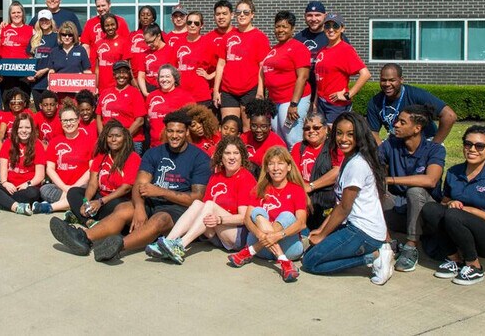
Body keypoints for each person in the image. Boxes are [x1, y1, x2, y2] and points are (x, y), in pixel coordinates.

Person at [49, 110, 210, 262]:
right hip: (150, 201)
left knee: (160, 219)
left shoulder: (200, 158)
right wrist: (139, 208)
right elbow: (139, 183)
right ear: (165, 131)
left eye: (179, 132)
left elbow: (196, 198)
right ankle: (83, 238)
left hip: (177, 208)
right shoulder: (154, 153)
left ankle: (117, 246)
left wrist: (161, 191)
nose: (174, 136)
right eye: (170, 131)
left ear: (187, 132)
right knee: (124, 209)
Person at [301, 112, 395, 285]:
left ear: (359, 135)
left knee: (310, 262)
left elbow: (344, 208)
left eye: (350, 134)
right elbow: (339, 204)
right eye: (339, 133)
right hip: (353, 225)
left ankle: (374, 256)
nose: (343, 139)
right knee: (310, 253)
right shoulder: (349, 158)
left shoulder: (357, 164)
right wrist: (321, 229)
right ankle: (372, 251)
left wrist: (323, 235)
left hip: (363, 231)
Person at [420, 125, 485, 285]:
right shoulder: (454, 172)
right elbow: (444, 202)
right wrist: (451, 202)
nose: (472, 149)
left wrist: (471, 211)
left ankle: (474, 267)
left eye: (479, 146)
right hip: (463, 230)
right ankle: (455, 260)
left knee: (454, 215)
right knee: (431, 209)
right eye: (468, 144)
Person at [147, 135, 254, 265]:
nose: (232, 157)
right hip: (215, 233)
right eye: (227, 153)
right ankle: (167, 242)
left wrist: (219, 219)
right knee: (198, 203)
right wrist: (214, 220)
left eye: (236, 153)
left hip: (237, 235)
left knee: (209, 205)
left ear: (242, 156)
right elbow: (203, 209)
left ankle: (180, 245)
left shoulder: (245, 177)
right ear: (221, 156)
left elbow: (244, 218)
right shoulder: (216, 177)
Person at [379, 104, 446, 273]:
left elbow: (431, 180)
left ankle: (411, 247)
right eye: (397, 120)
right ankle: (386, 241)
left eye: (402, 122)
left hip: (424, 214)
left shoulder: (435, 150)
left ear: (417, 128)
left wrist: (391, 179)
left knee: (415, 191)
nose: (395, 125)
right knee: (375, 188)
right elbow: (371, 164)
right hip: (398, 208)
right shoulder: (390, 145)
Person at [227, 146, 308, 282]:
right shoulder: (259, 189)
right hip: (262, 247)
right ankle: (284, 261)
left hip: (287, 247)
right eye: (271, 164)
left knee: (287, 216)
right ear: (266, 168)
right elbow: (247, 220)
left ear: (289, 167)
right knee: (257, 212)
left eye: (280, 163)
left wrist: (278, 235)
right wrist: (261, 235)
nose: (275, 168)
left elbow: (301, 223)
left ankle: (249, 252)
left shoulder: (297, 190)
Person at [63, 121, 141, 227]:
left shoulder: (133, 158)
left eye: (118, 136)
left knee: (117, 206)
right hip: (100, 197)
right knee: (73, 192)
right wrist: (86, 202)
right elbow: (92, 183)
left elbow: (126, 188)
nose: (113, 139)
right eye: (110, 136)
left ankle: (82, 217)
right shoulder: (101, 156)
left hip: (117, 199)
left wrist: (100, 202)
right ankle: (89, 222)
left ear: (125, 138)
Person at [213, 0, 270, 123]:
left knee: (248, 128)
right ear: (235, 15)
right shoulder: (228, 36)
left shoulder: (259, 37)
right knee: (229, 127)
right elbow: (221, 64)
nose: (242, 15)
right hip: (228, 90)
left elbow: (262, 67)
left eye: (246, 12)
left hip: (250, 89)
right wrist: (216, 90)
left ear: (252, 14)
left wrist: (260, 91)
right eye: (239, 12)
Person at [258, 10, 311, 147]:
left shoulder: (298, 48)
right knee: (278, 138)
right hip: (275, 101)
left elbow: (303, 77)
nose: (280, 30)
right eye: (277, 26)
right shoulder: (274, 49)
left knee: (292, 138)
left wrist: (294, 105)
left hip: (290, 100)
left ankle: (299, 161)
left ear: (292, 29)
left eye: (284, 27)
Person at [366, 63, 457, 144]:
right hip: (397, 143)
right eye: (383, 80)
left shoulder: (416, 95)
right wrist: (383, 152)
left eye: (392, 80)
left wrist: (434, 146)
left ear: (401, 80)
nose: (387, 84)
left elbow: (449, 116)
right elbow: (373, 133)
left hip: (425, 141)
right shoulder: (375, 102)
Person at [0, 113, 47, 216]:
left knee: (33, 194)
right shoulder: (8, 143)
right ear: (15, 129)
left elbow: (40, 176)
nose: (24, 130)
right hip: (9, 187)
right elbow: (3, 170)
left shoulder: (38, 144)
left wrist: (27, 184)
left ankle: (1, 202)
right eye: (20, 127)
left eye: (27, 127)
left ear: (32, 129)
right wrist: (5, 183)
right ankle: (16, 207)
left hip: (27, 188)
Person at [34, 105, 94, 214]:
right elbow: (50, 169)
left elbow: (92, 169)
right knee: (44, 190)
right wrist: (65, 187)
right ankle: (73, 206)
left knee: (88, 192)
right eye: (65, 120)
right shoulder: (54, 142)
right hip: (60, 187)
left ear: (78, 120)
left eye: (72, 120)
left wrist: (74, 188)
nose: (68, 123)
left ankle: (50, 207)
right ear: (61, 122)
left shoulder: (89, 140)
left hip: (82, 186)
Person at [314, 12, 371, 123]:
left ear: (342, 28)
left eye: (335, 26)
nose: (331, 29)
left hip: (336, 106)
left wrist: (348, 95)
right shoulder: (322, 50)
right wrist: (315, 102)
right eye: (327, 26)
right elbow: (319, 79)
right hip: (321, 103)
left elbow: (365, 74)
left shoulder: (346, 49)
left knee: (335, 132)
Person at [292, 111, 341, 230]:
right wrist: (304, 193)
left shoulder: (334, 147)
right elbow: (293, 174)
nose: (311, 131)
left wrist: (311, 186)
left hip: (326, 197)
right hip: (302, 195)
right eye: (307, 128)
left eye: (316, 127)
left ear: (326, 129)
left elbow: (337, 171)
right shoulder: (298, 147)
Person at [97, 60, 147, 153]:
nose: (121, 75)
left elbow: (140, 121)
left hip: (130, 140)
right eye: (118, 72)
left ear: (128, 74)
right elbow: (99, 117)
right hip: (109, 142)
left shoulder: (135, 93)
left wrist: (123, 138)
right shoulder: (105, 92)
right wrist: (103, 137)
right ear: (114, 74)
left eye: (124, 72)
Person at [174, 11, 216, 107]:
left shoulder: (208, 43)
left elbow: (222, 64)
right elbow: (172, 67)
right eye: (189, 22)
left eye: (196, 23)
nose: (192, 25)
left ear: (201, 25)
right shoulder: (178, 43)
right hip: (181, 94)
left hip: (200, 95)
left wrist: (209, 76)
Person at [146, 65, 195, 146]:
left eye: (167, 76)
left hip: (176, 144)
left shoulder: (185, 96)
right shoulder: (151, 96)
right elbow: (148, 119)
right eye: (161, 77)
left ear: (174, 78)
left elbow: (192, 120)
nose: (164, 79)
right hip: (155, 144)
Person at [0, 0, 35, 95]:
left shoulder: (31, 30)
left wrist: (33, 72)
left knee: (23, 100)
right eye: (13, 13)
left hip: (24, 72)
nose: (16, 15)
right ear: (10, 15)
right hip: (5, 73)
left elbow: (35, 53)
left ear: (23, 14)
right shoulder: (2, 30)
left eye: (18, 12)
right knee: (7, 100)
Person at [44, 21, 92, 93]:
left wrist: (91, 87)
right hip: (59, 91)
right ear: (60, 35)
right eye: (64, 34)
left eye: (70, 35)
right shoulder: (54, 51)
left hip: (77, 91)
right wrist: (51, 84)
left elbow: (87, 71)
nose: (67, 37)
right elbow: (51, 71)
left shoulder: (81, 50)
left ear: (74, 36)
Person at [242, 98, 287, 171]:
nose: (258, 130)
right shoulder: (243, 138)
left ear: (270, 126)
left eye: (263, 126)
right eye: (254, 126)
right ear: (250, 124)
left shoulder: (277, 144)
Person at [91, 13, 132, 92]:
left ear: (116, 25)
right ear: (103, 27)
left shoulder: (124, 42)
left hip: (118, 86)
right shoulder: (98, 44)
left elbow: (126, 68)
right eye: (107, 25)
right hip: (102, 87)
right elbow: (97, 68)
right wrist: (95, 86)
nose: (110, 28)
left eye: (112, 24)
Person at [135, 25, 176, 97]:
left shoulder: (170, 51)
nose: (149, 45)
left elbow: (173, 75)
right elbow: (141, 75)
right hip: (149, 89)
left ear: (159, 36)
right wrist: (145, 93)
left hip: (165, 88)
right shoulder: (144, 54)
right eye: (147, 42)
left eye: (151, 42)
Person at [27, 9, 58, 95]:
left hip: (50, 80)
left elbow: (58, 59)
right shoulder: (34, 37)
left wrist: (44, 70)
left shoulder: (57, 37)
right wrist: (30, 73)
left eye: (46, 20)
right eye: (41, 20)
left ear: (51, 21)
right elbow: (30, 57)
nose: (44, 22)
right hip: (36, 82)